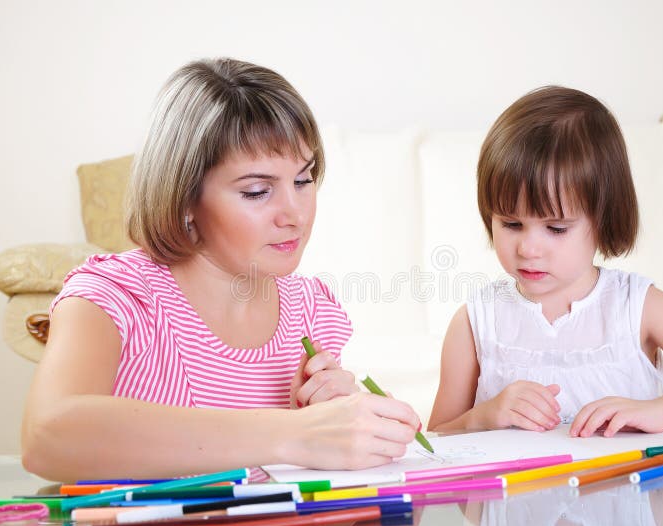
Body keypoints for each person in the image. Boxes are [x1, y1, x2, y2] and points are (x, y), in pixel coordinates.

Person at [21, 58, 420, 482]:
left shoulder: (311, 308)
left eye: (303, 181)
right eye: (257, 191)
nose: (295, 215)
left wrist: (349, 430)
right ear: (185, 198)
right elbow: (47, 437)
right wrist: (295, 433)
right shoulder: (114, 295)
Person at [428, 86, 663, 436]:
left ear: (604, 219)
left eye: (556, 228)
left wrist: (660, 411)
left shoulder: (639, 308)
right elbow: (437, 437)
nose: (529, 249)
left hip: (630, 489)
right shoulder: (475, 323)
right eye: (512, 224)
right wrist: (485, 416)